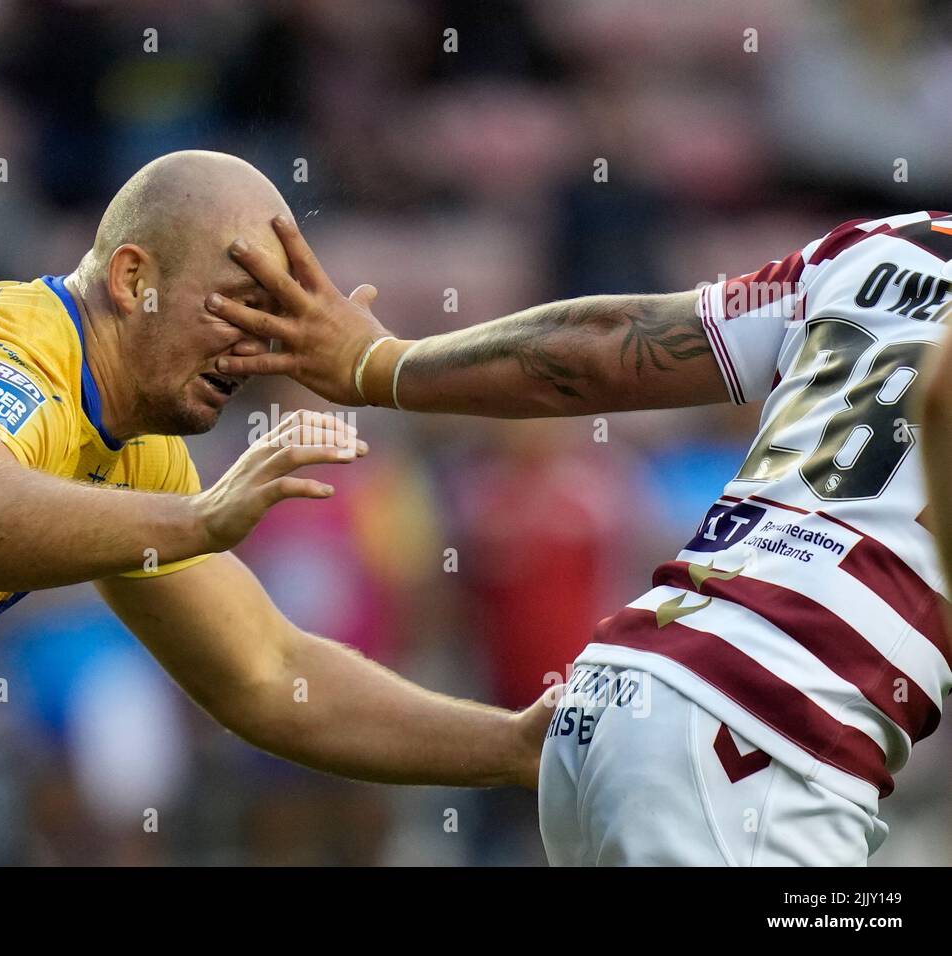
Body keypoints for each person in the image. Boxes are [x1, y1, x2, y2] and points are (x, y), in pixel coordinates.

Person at [0, 151, 555, 866]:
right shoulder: (6, 354)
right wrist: (195, 526)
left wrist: (514, 748)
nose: (256, 352)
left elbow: (270, 675)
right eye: (240, 309)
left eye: (273, 323)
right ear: (131, 278)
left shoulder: (136, 451)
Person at [211, 209, 952, 865]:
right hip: (760, 748)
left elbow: (607, 344)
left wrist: (381, 363)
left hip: (619, 701)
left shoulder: (890, 245)